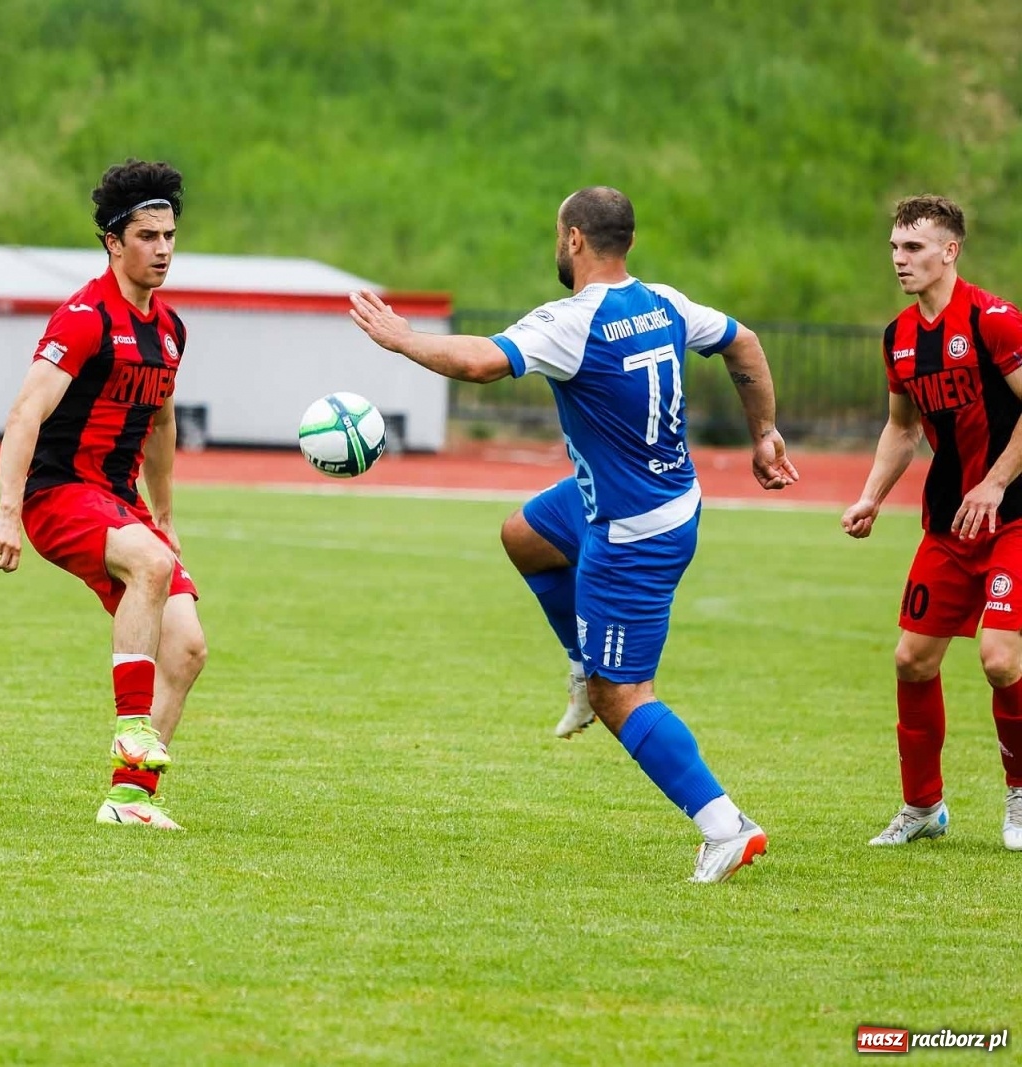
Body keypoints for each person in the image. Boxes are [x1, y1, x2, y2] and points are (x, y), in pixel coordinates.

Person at [350, 185, 799, 882]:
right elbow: (743, 341)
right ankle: (581, 661)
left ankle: (725, 825)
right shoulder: (667, 304)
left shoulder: (572, 320)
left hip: (632, 533)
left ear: (575, 241)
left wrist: (400, 338)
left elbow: (481, 363)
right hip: (643, 499)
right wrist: (765, 431)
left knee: (624, 696)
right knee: (523, 534)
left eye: (558, 234)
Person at [0, 159, 206, 830]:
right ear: (113, 241)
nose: (162, 249)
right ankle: (132, 725)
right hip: (58, 495)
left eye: (169, 235)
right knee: (150, 564)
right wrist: (6, 510)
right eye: (147, 236)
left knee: (189, 646)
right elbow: (25, 413)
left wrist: (163, 512)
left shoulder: (170, 330)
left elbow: (162, 419)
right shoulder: (82, 318)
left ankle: (130, 797)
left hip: (118, 502)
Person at [841, 194, 1022, 852]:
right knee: (912, 659)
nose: (899, 258)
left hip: (1014, 518)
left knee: (1001, 659)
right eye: (893, 247)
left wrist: (997, 481)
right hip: (948, 526)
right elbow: (901, 426)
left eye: (913, 247)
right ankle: (922, 805)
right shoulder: (898, 337)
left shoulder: (994, 320)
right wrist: (870, 495)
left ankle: (1020, 794)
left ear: (950, 251)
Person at [500, 477, 597, 737]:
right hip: (600, 475)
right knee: (523, 536)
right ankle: (583, 675)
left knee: (621, 696)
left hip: (642, 485)